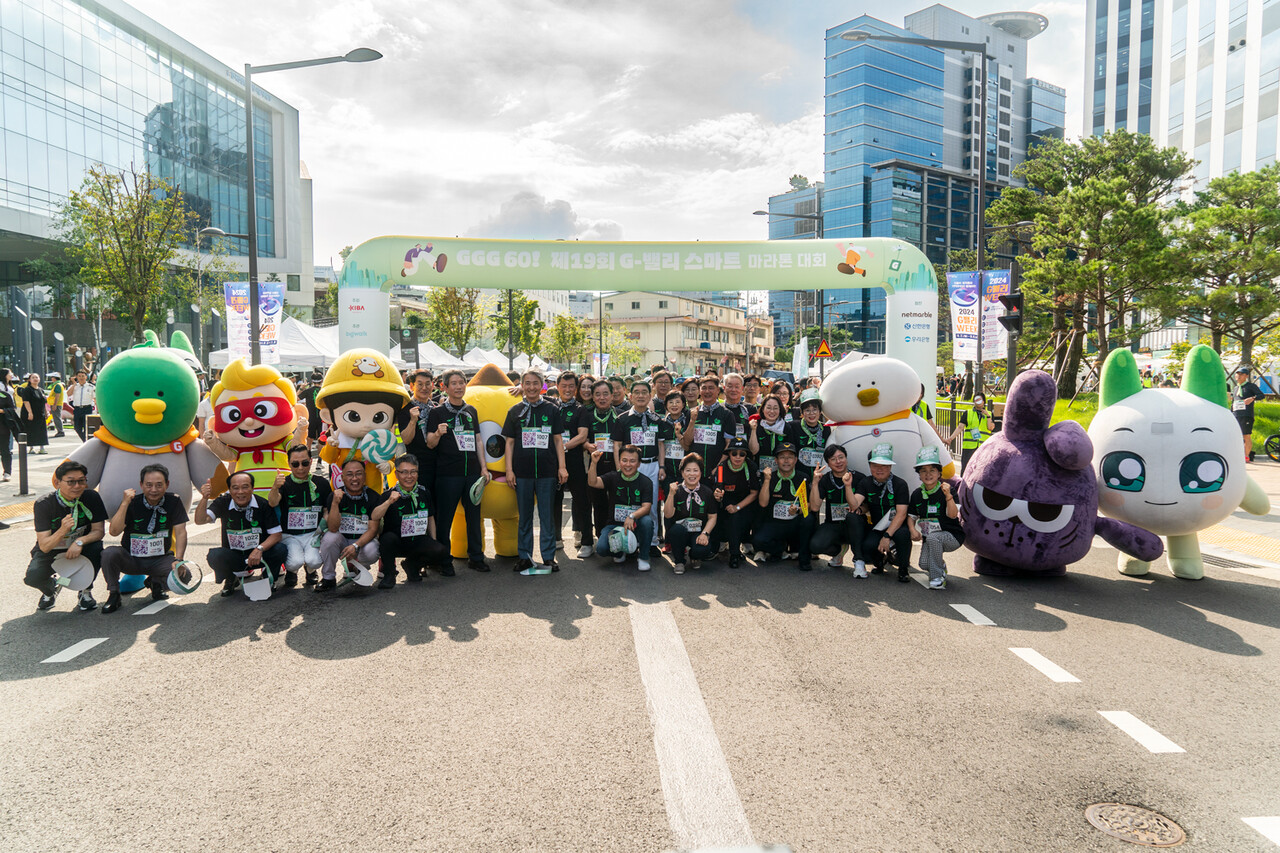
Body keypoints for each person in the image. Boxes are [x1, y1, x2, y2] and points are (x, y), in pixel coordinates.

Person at [101, 463, 191, 613]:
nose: (154, 490)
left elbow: (181, 532)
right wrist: (124, 503)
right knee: (109, 553)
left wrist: (179, 560)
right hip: (131, 558)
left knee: (183, 575)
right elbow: (114, 531)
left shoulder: (173, 501)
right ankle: (114, 594)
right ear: (141, 485)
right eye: (149, 485)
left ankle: (156, 582)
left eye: (159, 485)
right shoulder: (132, 502)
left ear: (167, 484)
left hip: (159, 558)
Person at [502, 370, 568, 573]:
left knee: (547, 516)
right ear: (522, 385)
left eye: (535, 383)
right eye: (527, 383)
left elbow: (558, 440)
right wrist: (509, 470)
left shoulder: (552, 409)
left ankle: (548, 558)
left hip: (547, 471)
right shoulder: (514, 411)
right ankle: (525, 556)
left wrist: (562, 466)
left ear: (542, 385)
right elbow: (510, 443)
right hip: (522, 472)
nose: (531, 387)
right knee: (525, 516)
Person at [426, 369, 491, 572]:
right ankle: (444, 559)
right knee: (445, 518)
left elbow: (478, 440)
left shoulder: (471, 410)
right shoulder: (437, 412)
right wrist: (437, 433)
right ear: (445, 387)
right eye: (453, 383)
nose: (458, 387)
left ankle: (476, 557)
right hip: (448, 474)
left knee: (474, 516)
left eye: (461, 383)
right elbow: (429, 443)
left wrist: (483, 467)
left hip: (472, 472)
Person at [26, 460, 107, 612]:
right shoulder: (44, 504)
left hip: (82, 547)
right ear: (57, 483)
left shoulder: (91, 497)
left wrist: (80, 541)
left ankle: (85, 591)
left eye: (81, 481)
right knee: (33, 577)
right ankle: (51, 589)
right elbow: (44, 545)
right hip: (53, 548)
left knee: (97, 549)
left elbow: (98, 531)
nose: (77, 486)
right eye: (71, 482)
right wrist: (62, 530)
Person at [195, 470, 287, 597]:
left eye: (245, 487)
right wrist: (204, 498)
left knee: (280, 549)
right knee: (215, 555)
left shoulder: (263, 504)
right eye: (235, 488)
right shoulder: (223, 502)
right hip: (235, 555)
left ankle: (268, 578)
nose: (240, 492)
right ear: (229, 490)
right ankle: (231, 578)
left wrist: (259, 548)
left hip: (259, 555)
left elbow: (276, 534)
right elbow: (200, 520)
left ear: (252, 488)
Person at [613, 379, 670, 557]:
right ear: (630, 396)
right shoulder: (622, 419)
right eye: (636, 392)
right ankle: (626, 540)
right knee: (628, 503)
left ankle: (652, 541)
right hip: (630, 468)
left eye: (644, 392)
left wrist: (661, 466)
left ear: (650, 395)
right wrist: (619, 470)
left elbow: (661, 445)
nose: (640, 395)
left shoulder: (657, 419)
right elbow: (617, 445)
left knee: (651, 505)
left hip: (652, 465)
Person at [373, 454, 448, 587]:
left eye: (413, 472)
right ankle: (389, 574)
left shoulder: (424, 493)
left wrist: (433, 541)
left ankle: (412, 565)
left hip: (417, 540)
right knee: (387, 539)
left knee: (440, 550)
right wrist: (389, 502)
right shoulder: (388, 494)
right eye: (405, 472)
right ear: (396, 474)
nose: (409, 476)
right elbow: (375, 516)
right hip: (396, 541)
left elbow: (430, 518)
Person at [267, 443, 332, 588]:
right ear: (289, 464)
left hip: (313, 534)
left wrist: (322, 530)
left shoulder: (321, 483)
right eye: (295, 464)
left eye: (305, 463)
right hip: (290, 535)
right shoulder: (284, 483)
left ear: (311, 461)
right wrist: (275, 487)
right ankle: (292, 571)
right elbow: (272, 503)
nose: (301, 468)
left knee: (314, 560)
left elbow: (328, 509)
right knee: (294, 561)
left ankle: (310, 570)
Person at [849, 443, 911, 581]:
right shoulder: (866, 483)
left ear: (890, 466)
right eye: (875, 465)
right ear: (870, 466)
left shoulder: (900, 484)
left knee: (903, 534)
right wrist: (848, 486)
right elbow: (854, 505)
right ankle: (880, 562)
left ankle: (903, 568)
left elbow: (901, 514)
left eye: (884, 466)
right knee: (867, 549)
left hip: (897, 527)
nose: (879, 469)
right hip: (877, 527)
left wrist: (887, 536)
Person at [317, 458, 382, 591]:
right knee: (329, 538)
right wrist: (335, 503)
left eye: (358, 473)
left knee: (372, 551)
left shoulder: (373, 497)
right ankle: (328, 578)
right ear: (342, 477)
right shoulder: (334, 496)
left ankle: (357, 566)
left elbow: (373, 529)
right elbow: (333, 528)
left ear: (364, 476)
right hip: (342, 540)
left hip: (362, 542)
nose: (354, 478)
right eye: (349, 474)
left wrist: (355, 545)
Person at [588, 445, 654, 571]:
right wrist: (594, 463)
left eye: (632, 461)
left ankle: (643, 557)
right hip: (614, 525)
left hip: (635, 524)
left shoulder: (646, 482)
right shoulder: (613, 477)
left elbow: (646, 507)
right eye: (624, 460)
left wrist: (632, 516)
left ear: (639, 463)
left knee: (647, 522)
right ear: (619, 461)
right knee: (601, 549)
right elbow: (593, 482)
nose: (628, 464)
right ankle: (620, 551)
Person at [907, 446, 963, 590]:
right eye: (923, 471)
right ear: (919, 474)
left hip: (951, 536)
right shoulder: (917, 494)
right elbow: (911, 516)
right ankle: (941, 565)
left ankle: (937, 577)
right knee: (924, 564)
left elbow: (952, 515)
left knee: (933, 538)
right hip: (930, 538)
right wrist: (912, 530)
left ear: (939, 473)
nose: (928, 474)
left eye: (932, 470)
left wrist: (948, 496)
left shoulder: (947, 490)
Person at [573, 379, 619, 557]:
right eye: (597, 394)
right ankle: (596, 540)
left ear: (612, 395)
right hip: (593, 466)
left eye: (605, 394)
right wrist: (586, 444)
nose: (601, 398)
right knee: (595, 503)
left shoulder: (620, 414)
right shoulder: (585, 413)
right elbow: (580, 436)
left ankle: (615, 541)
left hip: (615, 466)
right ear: (592, 396)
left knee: (614, 504)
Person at [752, 442, 812, 570]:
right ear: (776, 460)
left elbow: (809, 504)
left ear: (795, 460)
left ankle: (804, 559)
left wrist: (799, 510)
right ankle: (779, 549)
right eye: (782, 457)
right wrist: (767, 480)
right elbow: (763, 503)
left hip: (793, 523)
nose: (786, 461)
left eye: (790, 457)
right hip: (774, 523)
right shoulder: (770, 476)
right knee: (758, 540)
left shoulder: (803, 478)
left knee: (808, 519)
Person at [663, 453, 718, 574]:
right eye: (688, 470)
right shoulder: (676, 490)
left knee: (703, 548)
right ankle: (679, 561)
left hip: (698, 532)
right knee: (677, 530)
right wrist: (671, 494)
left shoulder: (707, 492)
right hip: (680, 531)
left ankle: (695, 557)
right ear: (682, 473)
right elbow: (667, 515)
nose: (692, 474)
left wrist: (705, 533)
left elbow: (712, 517)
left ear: (700, 473)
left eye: (695, 470)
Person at [807, 445, 859, 569]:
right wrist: (815, 483)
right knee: (815, 546)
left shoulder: (859, 477)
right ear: (828, 463)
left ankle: (860, 559)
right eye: (833, 459)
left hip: (855, 525)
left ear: (846, 458)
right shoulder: (824, 480)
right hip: (833, 525)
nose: (838, 462)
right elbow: (814, 507)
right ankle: (838, 551)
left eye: (841, 457)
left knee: (869, 552)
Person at [712, 438, 759, 568]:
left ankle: (735, 553)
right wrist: (718, 495)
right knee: (729, 517)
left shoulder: (751, 467)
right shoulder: (721, 468)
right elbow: (718, 488)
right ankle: (729, 549)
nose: (738, 457)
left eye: (742, 454)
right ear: (729, 454)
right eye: (734, 453)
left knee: (738, 516)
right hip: (727, 501)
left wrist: (737, 507)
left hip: (746, 502)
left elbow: (754, 493)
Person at [552, 371, 582, 552]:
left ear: (576, 388)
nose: (567, 389)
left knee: (578, 499)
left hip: (574, 459)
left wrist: (563, 447)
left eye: (571, 386)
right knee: (555, 499)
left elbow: (582, 435)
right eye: (564, 386)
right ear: (557, 387)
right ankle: (556, 537)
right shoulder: (550, 405)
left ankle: (578, 532)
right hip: (553, 462)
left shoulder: (580, 409)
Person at [682, 375, 737, 472]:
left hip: (717, 468)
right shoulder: (691, 413)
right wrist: (692, 421)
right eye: (704, 388)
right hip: (694, 470)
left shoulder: (727, 414)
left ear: (718, 391)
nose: (707, 391)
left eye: (711, 388)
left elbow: (729, 444)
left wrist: (719, 466)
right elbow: (686, 443)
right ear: (699, 391)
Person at [399, 368, 439, 485]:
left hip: (436, 464)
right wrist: (413, 421)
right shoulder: (405, 409)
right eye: (420, 384)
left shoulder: (436, 409)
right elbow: (406, 440)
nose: (424, 388)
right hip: (416, 466)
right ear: (411, 386)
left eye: (427, 384)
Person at [787, 390, 830, 479]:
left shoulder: (826, 429)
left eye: (815, 410)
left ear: (820, 411)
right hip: (799, 476)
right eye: (807, 410)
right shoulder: (793, 427)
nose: (812, 413)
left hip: (821, 476)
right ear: (802, 413)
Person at [948, 393, 994, 473]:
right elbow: (960, 427)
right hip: (969, 447)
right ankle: (964, 485)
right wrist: (951, 438)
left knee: (981, 470)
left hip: (983, 447)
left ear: (984, 402)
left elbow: (990, 427)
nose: (978, 402)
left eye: (980, 400)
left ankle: (978, 486)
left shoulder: (989, 414)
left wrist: (988, 416)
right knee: (966, 469)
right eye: (976, 399)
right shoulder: (968, 413)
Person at [748, 394, 789, 476]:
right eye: (769, 408)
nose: (772, 411)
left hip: (780, 472)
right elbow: (753, 451)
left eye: (775, 408)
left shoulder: (785, 427)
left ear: (780, 410)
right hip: (759, 471)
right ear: (763, 409)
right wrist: (753, 430)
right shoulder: (756, 424)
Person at [1233, 366, 1263, 462]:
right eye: (1237, 373)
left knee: (1246, 435)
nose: (1238, 376)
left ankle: (1246, 456)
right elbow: (1234, 402)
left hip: (1246, 415)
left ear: (1246, 376)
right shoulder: (1236, 388)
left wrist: (1252, 398)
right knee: (1236, 436)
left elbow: (1261, 395)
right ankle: (1238, 455)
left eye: (1241, 374)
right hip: (1235, 415)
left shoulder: (1251, 386)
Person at [19, 373, 49, 454]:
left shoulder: (41, 390)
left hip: (40, 413)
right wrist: (30, 413)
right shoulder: (27, 390)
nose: (35, 379)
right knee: (31, 430)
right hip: (30, 413)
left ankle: (42, 447)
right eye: (33, 377)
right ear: (29, 380)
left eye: (37, 377)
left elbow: (44, 402)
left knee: (41, 430)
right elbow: (26, 401)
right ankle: (31, 447)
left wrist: (46, 412)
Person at [721, 373, 755, 440]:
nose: (733, 390)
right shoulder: (719, 409)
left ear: (742, 389)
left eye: (737, 387)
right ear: (724, 388)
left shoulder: (749, 409)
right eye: (730, 386)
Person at [0, 367, 20, 480]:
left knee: (5, 448)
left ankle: (7, 472)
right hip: (4, 417)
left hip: (6, 418)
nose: (11, 374)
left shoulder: (9, 386)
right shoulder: (1, 386)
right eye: (9, 373)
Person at [70, 369, 95, 442]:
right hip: (77, 409)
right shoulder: (75, 387)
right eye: (79, 376)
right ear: (76, 377)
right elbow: (68, 394)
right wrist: (74, 383)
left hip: (87, 408)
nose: (81, 378)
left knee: (86, 427)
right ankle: (85, 441)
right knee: (77, 428)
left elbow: (95, 398)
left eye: (83, 376)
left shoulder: (90, 387)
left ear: (86, 377)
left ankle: (86, 442)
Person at [46, 372, 66, 437]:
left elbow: (57, 395)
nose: (51, 379)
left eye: (52, 377)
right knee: (56, 417)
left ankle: (60, 431)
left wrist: (55, 405)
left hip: (56, 404)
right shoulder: (57, 384)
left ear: (54, 378)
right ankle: (60, 431)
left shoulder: (57, 385)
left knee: (57, 418)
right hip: (56, 404)